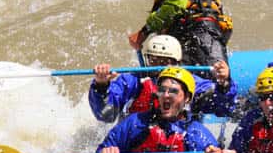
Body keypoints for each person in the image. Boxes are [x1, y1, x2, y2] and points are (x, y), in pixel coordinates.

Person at [96, 67, 233, 153]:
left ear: (187, 98)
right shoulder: (135, 123)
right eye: (162, 90)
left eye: (173, 91)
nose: (166, 95)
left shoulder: (198, 135)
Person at [89, 34, 237, 123]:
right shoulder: (132, 81)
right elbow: (105, 115)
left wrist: (224, 84)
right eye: (154, 60)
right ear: (147, 60)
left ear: (176, 63)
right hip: (137, 137)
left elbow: (223, 107)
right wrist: (102, 85)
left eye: (165, 61)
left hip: (178, 136)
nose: (159, 67)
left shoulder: (191, 82)